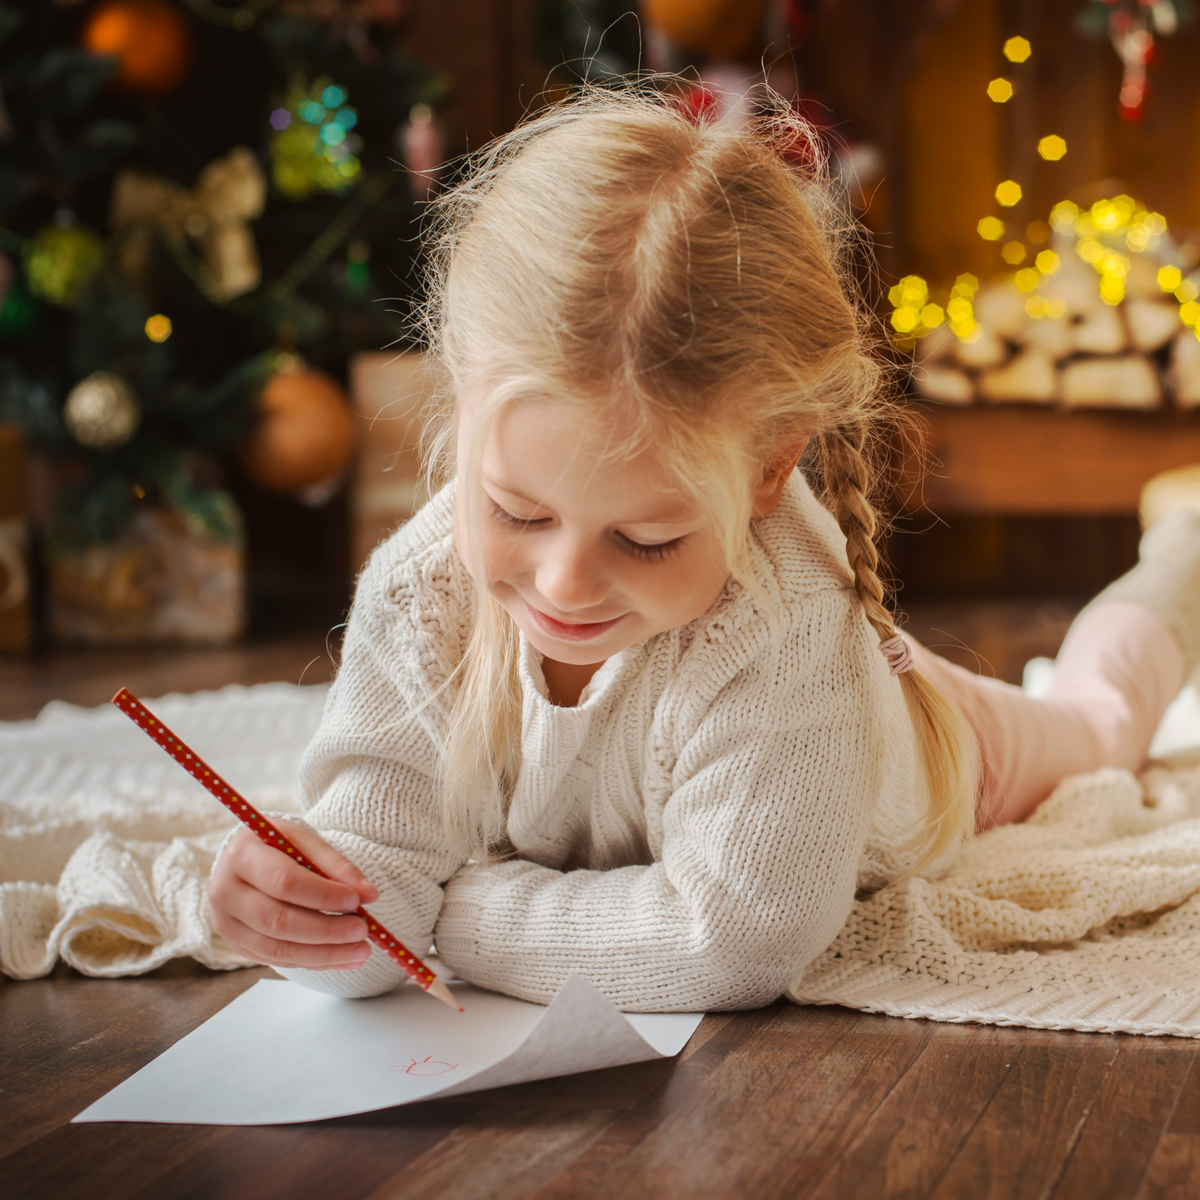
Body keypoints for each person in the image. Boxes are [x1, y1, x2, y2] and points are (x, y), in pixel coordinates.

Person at [208, 86, 1200, 1012]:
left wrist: (447, 914)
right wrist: (311, 912)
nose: (563, 583)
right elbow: (374, 888)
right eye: (515, 511)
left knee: (1099, 721)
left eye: (644, 539)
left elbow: (732, 941)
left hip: (945, 749)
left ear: (772, 474)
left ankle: (1182, 556)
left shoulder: (787, 623)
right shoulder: (423, 590)